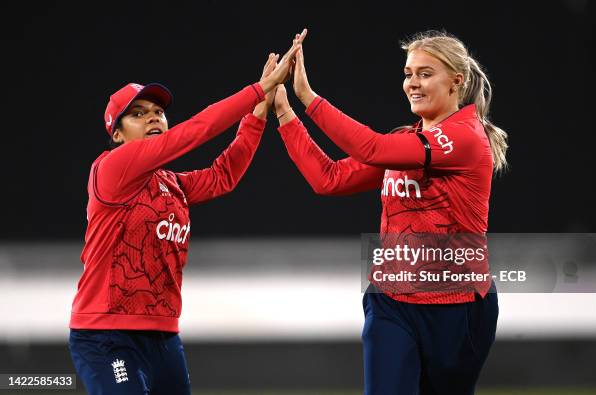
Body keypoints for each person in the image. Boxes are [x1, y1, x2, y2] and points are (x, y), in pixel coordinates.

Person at [68, 30, 307, 395]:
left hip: (163, 335)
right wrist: (258, 90)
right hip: (106, 336)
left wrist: (257, 114)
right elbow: (196, 131)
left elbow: (223, 176)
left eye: (159, 112)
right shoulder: (111, 169)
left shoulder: (170, 183)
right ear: (116, 134)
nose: (153, 118)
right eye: (137, 114)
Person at [274, 31, 507, 394]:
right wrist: (286, 114)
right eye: (408, 73)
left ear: (456, 82)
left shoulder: (466, 137)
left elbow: (372, 147)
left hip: (457, 308)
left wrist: (308, 97)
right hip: (392, 303)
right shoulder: (405, 141)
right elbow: (329, 179)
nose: (412, 83)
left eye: (425, 73)